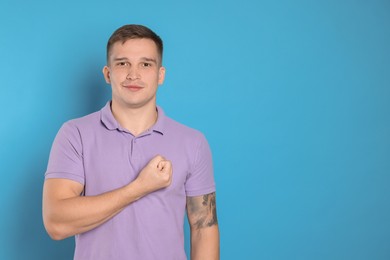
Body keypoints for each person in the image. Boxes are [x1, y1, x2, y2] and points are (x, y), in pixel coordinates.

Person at [42, 24, 219, 260]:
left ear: (160, 75)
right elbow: (56, 223)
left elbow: (203, 229)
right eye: (122, 63)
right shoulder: (75, 134)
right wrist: (139, 188)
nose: (133, 74)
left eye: (145, 64)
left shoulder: (193, 142)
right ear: (107, 73)